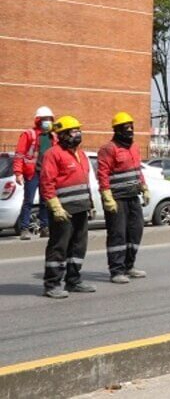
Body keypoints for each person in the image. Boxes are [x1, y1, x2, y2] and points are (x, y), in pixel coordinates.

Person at [40, 116, 96, 299]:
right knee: (59, 247)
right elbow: (47, 182)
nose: (78, 134)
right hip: (63, 210)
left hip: (81, 208)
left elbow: (85, 181)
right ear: (63, 135)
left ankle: (73, 280)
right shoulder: (53, 154)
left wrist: (90, 204)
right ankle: (52, 284)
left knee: (79, 247)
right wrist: (55, 206)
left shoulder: (81, 154)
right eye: (74, 131)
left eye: (79, 130)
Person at [97, 112, 150, 284]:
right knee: (118, 234)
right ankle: (117, 270)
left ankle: (129, 265)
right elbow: (103, 174)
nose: (130, 130)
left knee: (136, 231)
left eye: (131, 127)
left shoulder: (134, 147)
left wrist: (144, 187)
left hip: (132, 196)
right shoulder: (108, 149)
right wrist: (107, 196)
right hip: (117, 198)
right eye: (126, 127)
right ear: (117, 130)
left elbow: (137, 170)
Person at [13, 106, 54, 240]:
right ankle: (24, 228)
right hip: (32, 173)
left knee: (45, 201)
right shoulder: (29, 134)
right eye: (45, 119)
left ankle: (45, 227)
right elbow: (19, 154)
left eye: (49, 119)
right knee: (28, 201)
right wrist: (18, 172)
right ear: (38, 120)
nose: (48, 121)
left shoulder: (53, 136)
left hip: (46, 174)